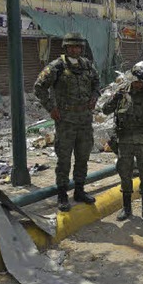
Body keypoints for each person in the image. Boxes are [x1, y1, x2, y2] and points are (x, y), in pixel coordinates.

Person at [34, 32, 100, 212]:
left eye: (77, 47)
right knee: (64, 159)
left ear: (82, 48)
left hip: (85, 120)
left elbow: (96, 84)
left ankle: (79, 190)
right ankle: (62, 194)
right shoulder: (57, 67)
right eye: (71, 46)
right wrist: (51, 108)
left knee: (83, 156)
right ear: (65, 48)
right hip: (65, 121)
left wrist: (94, 97)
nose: (74, 49)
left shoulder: (87, 66)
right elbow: (39, 87)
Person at [102, 63, 143, 224]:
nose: (137, 85)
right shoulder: (122, 93)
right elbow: (105, 110)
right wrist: (114, 98)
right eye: (135, 81)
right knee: (125, 174)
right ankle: (127, 209)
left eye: (140, 82)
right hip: (125, 141)